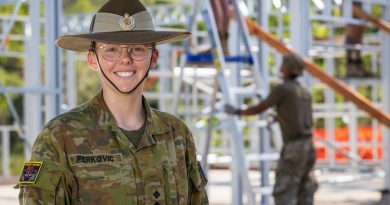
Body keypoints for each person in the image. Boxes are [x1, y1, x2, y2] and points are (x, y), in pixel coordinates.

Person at [16, 0, 208, 204]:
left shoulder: (177, 134)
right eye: (111, 50)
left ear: (154, 58)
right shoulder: (58, 136)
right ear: (92, 60)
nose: (125, 59)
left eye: (137, 49)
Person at [225, 54, 318, 205]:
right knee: (305, 189)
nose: (281, 67)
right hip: (308, 145)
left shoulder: (283, 89)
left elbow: (260, 108)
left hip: (294, 146)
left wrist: (237, 112)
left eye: (283, 65)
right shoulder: (304, 91)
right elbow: (296, 114)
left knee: (283, 190)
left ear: (288, 68)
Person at [345, 2, 373, 77]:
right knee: (352, 29)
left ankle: (356, 63)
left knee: (359, 30)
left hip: (359, 5)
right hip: (352, 5)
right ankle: (352, 63)